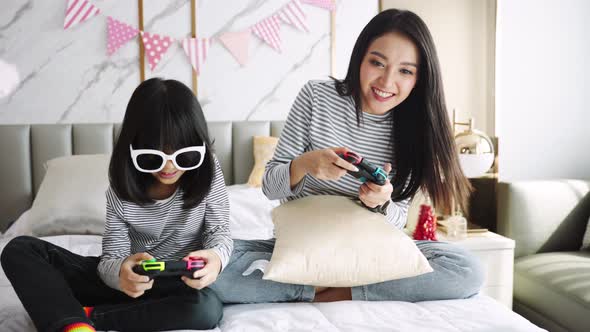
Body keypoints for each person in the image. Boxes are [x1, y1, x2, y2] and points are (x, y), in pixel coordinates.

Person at [209, 8, 483, 303]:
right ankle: (309, 287)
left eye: (405, 71)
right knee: (205, 264)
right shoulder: (316, 96)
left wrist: (381, 202)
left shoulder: (417, 128)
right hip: (302, 249)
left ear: (419, 78)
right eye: (377, 63)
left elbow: (396, 220)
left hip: (373, 255)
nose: (387, 82)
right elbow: (269, 186)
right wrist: (306, 165)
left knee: (467, 269)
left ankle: (337, 293)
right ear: (360, 59)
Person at [0, 78, 232, 332]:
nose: (169, 166)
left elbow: (219, 231)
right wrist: (122, 272)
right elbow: (111, 258)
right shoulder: (122, 184)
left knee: (206, 308)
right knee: (19, 249)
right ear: (134, 148)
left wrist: (215, 258)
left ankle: (82, 318)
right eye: (152, 157)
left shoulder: (208, 170)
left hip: (180, 283)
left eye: (182, 156)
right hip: (126, 280)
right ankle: (74, 321)